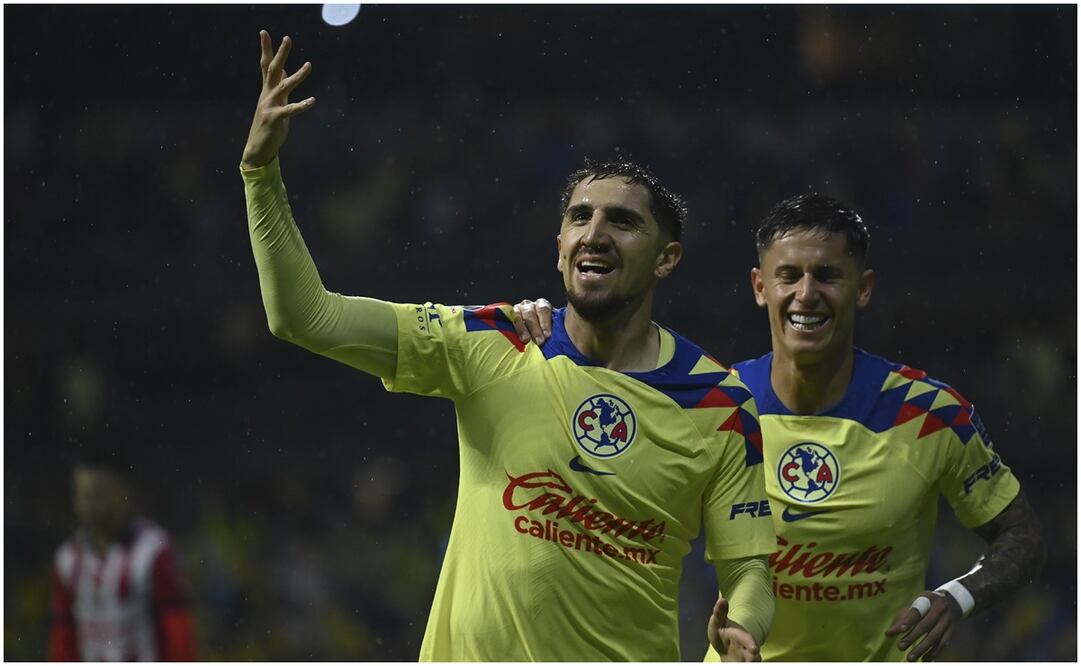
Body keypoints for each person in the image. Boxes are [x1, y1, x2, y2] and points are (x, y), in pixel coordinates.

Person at [239, 31, 775, 661]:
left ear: (667, 258)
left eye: (623, 222)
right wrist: (260, 174)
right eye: (580, 217)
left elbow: (749, 572)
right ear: (558, 247)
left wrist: (742, 630)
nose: (595, 233)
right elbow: (305, 316)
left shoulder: (720, 402)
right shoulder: (494, 341)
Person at [512, 193, 1046, 662]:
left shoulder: (930, 415)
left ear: (862, 288)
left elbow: (1021, 535)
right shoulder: (712, 404)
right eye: (788, 275)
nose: (806, 294)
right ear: (760, 287)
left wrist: (959, 595)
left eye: (828, 276)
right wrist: (549, 326)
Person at [48, 453, 196, 661]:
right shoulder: (67, 559)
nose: (90, 505)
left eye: (98, 495)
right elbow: (64, 638)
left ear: (123, 492)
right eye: (82, 496)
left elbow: (178, 635)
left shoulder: (153, 551)